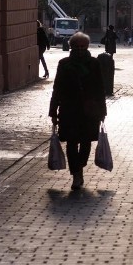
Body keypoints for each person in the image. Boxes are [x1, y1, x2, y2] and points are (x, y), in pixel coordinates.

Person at [49, 32, 107, 190]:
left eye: (83, 46)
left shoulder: (94, 64)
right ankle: (76, 173)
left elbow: (100, 89)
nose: (80, 50)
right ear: (71, 47)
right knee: (72, 142)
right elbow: (57, 88)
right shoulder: (64, 64)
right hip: (69, 110)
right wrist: (53, 111)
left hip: (90, 111)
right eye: (77, 47)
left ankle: (80, 166)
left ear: (87, 47)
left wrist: (103, 111)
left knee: (86, 142)